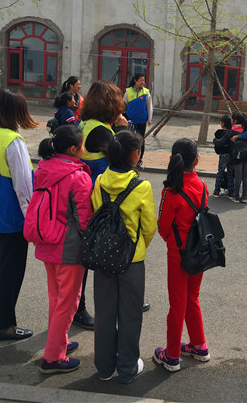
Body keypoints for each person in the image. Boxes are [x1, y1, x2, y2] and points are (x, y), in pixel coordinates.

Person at [92, 130, 157, 383]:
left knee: (104, 312)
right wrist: (139, 247)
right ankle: (127, 367)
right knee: (130, 314)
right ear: (135, 155)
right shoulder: (141, 187)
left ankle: (104, 367)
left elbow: (96, 212)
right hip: (132, 260)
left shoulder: (99, 181)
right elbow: (149, 227)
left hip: (103, 256)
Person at [30, 126, 94, 374]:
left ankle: (59, 342)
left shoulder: (43, 169)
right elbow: (84, 219)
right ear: (73, 148)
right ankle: (52, 358)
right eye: (82, 145)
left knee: (56, 298)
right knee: (68, 302)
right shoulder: (78, 177)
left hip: (46, 240)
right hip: (68, 247)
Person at [0, 89, 37, 341]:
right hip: (13, 218)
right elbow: (23, 188)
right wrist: (32, 222)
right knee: (10, 273)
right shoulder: (13, 142)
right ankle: (4, 325)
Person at [75, 81, 129, 330]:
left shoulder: (85, 124)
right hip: (100, 201)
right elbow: (125, 160)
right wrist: (124, 130)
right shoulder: (101, 132)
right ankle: (80, 309)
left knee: (91, 254)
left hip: (88, 196)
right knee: (102, 253)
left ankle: (82, 306)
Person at [154, 138, 211, 372]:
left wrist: (173, 241)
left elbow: (162, 227)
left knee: (177, 304)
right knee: (192, 298)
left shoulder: (171, 190)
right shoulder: (202, 185)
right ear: (197, 161)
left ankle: (172, 356)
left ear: (171, 159)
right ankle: (199, 345)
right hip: (199, 251)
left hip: (178, 254)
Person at [123, 74, 153, 167]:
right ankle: (128, 158)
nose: (143, 82)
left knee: (141, 140)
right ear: (135, 81)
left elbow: (149, 106)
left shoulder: (146, 92)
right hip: (130, 120)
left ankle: (139, 159)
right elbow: (123, 105)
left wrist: (149, 118)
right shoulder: (128, 91)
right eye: (141, 80)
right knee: (129, 139)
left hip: (141, 120)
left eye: (144, 80)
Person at [229, 111, 247, 203]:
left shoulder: (231, 132)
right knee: (245, 176)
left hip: (237, 156)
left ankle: (236, 197)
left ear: (234, 121)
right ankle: (244, 197)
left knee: (238, 176)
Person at [212, 114, 234, 198]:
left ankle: (216, 191)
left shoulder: (219, 133)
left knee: (220, 172)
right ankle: (231, 192)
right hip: (231, 155)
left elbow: (217, 144)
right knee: (230, 173)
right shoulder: (232, 133)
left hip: (223, 155)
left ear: (223, 123)